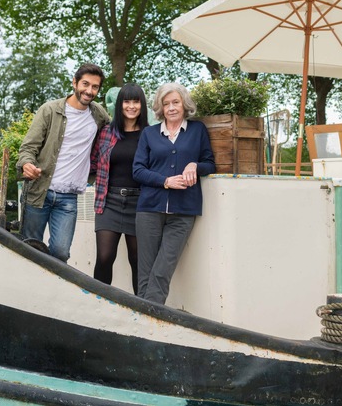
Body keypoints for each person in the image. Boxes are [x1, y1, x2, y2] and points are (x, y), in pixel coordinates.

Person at [16, 63, 110, 262]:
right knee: (28, 251)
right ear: (74, 82)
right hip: (39, 192)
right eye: (85, 84)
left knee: (60, 253)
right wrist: (27, 164)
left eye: (95, 87)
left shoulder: (99, 115)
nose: (89, 91)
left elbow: (116, 135)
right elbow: (28, 148)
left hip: (68, 198)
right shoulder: (49, 110)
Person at [132, 82, 215, 304]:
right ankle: (143, 321)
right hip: (149, 209)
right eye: (165, 103)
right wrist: (165, 181)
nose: (171, 107)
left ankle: (149, 315)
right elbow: (138, 170)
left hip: (184, 211)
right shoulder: (149, 134)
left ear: (184, 104)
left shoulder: (197, 130)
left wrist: (195, 166)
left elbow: (210, 163)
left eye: (175, 102)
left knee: (162, 271)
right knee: (145, 271)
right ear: (160, 108)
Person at [90, 83, 149, 293]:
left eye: (136, 101)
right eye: (127, 101)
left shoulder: (150, 134)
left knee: (137, 261)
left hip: (140, 204)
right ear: (120, 104)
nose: (131, 106)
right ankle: (98, 304)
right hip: (109, 202)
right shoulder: (106, 132)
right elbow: (93, 162)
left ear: (142, 105)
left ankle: (141, 308)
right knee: (105, 257)